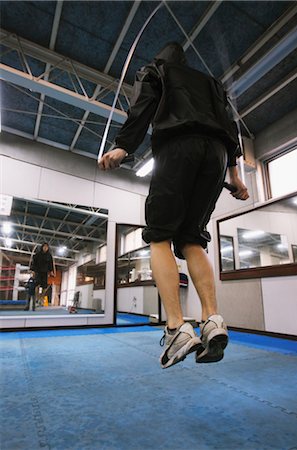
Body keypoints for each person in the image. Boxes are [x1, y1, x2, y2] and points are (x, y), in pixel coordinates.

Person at [99, 42, 249, 369]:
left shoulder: (156, 71)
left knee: (159, 235)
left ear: (159, 59)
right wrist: (235, 176)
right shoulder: (212, 84)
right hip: (217, 156)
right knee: (193, 238)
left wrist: (123, 148)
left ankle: (176, 327)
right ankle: (212, 319)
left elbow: (144, 105)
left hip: (178, 146)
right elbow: (230, 127)